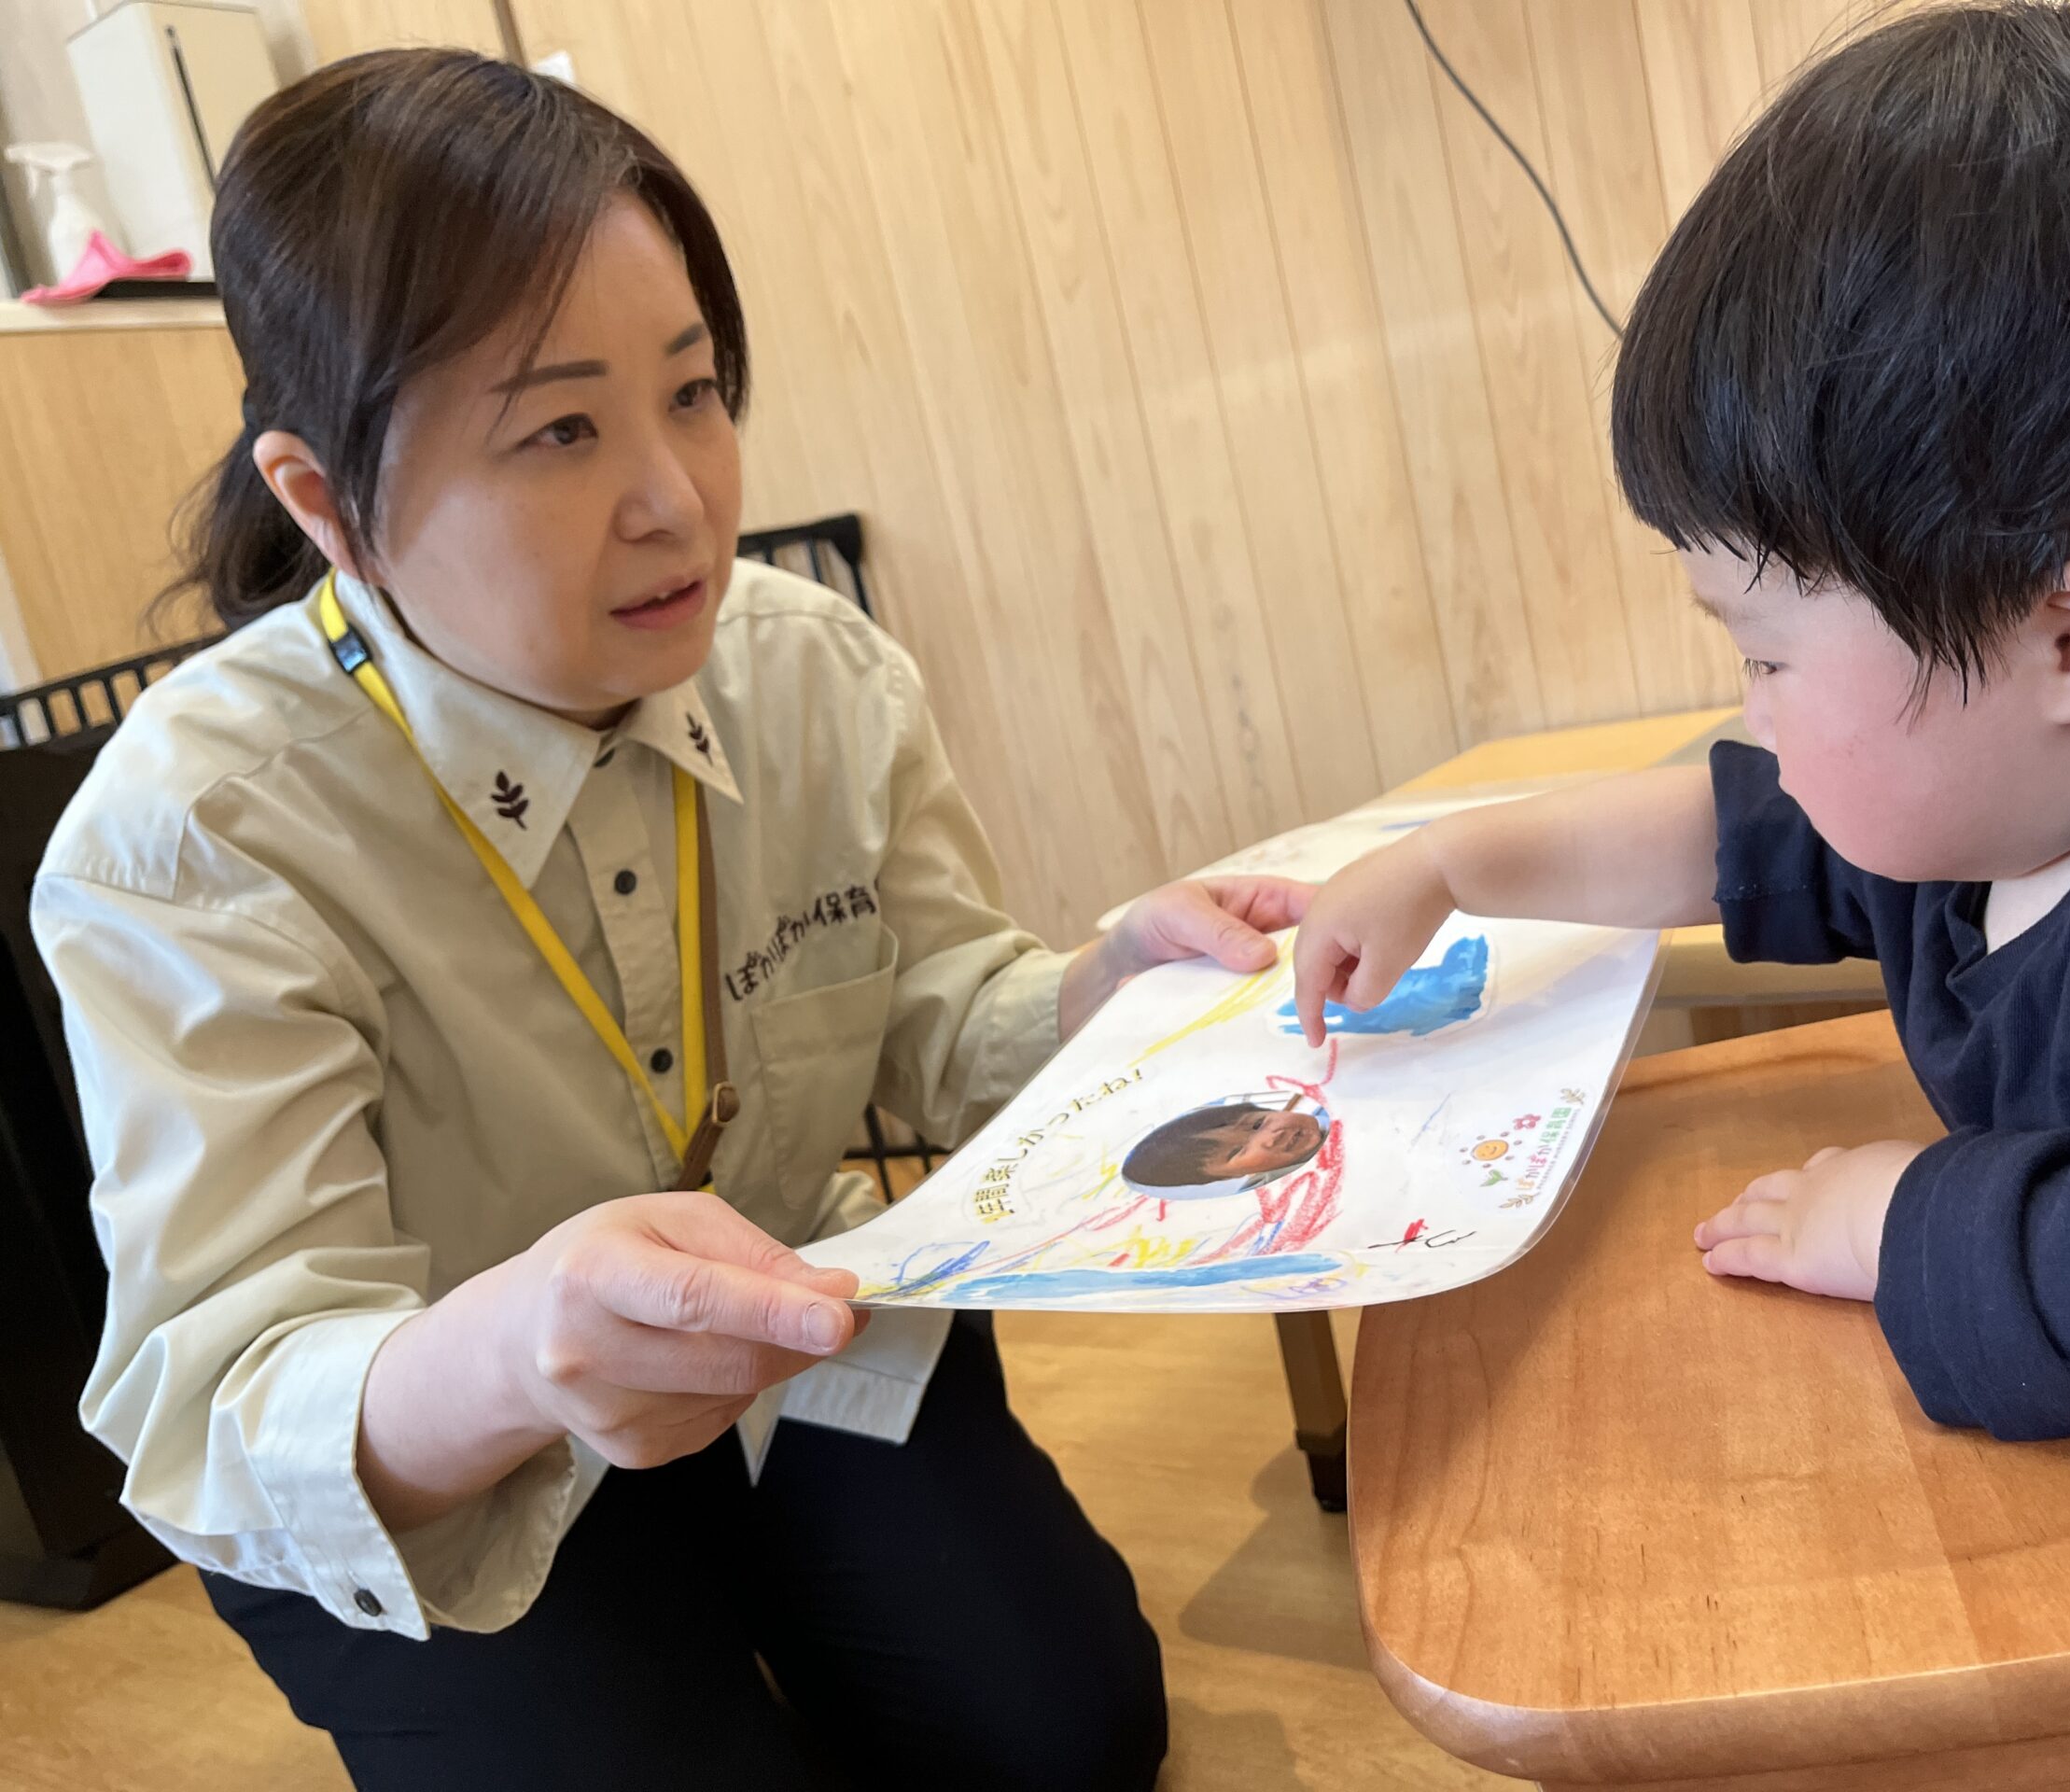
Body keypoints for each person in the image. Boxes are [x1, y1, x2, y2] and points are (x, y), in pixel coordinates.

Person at [37, 49, 1310, 1792]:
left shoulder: (816, 672)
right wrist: (519, 1351)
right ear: (326, 503)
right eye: (560, 430)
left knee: (1066, 1740)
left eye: (694, 391)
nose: (679, 501)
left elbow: (935, 1002)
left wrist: (1103, 990)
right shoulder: (198, 832)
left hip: (787, 1340)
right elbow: (234, 1389)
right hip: (450, 1459)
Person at [1295, 0, 2070, 1493]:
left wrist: (1902, 1221)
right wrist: (1447, 864)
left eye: (1765, 653)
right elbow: (1730, 832)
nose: (1748, 707)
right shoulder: (2013, 794)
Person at [1121, 1100, 1326, 1195]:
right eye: (1238, 1152)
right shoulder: (1280, 1190)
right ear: (1231, 1177)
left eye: (1258, 1124)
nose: (1272, 1138)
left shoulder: (1327, 1113)